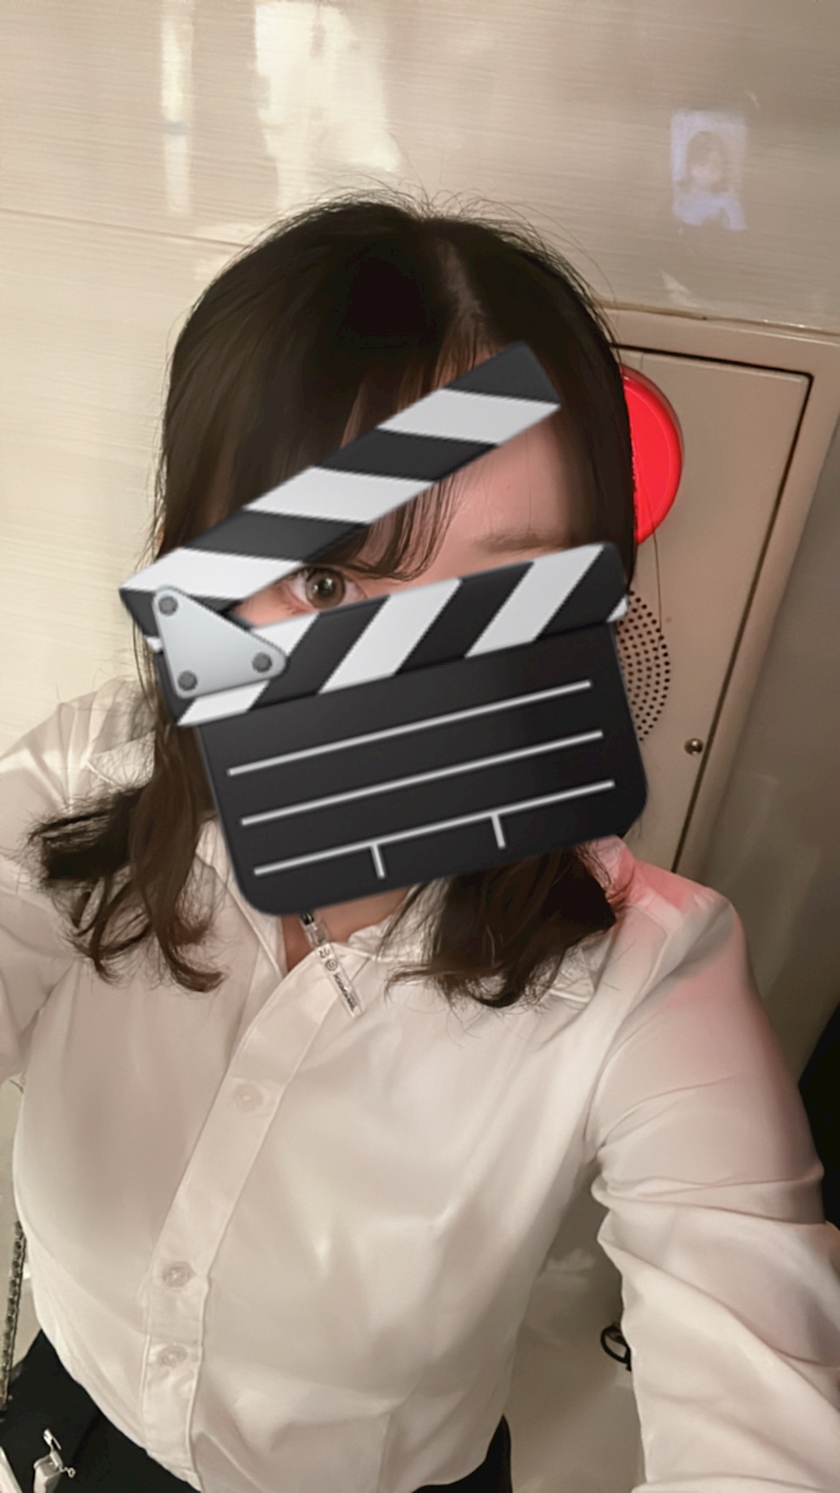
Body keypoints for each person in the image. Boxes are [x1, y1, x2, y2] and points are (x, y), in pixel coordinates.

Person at [0, 190, 838, 1493]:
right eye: (329, 581)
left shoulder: (649, 976)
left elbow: (761, 1403)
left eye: (499, 597)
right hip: (74, 1432)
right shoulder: (95, 778)